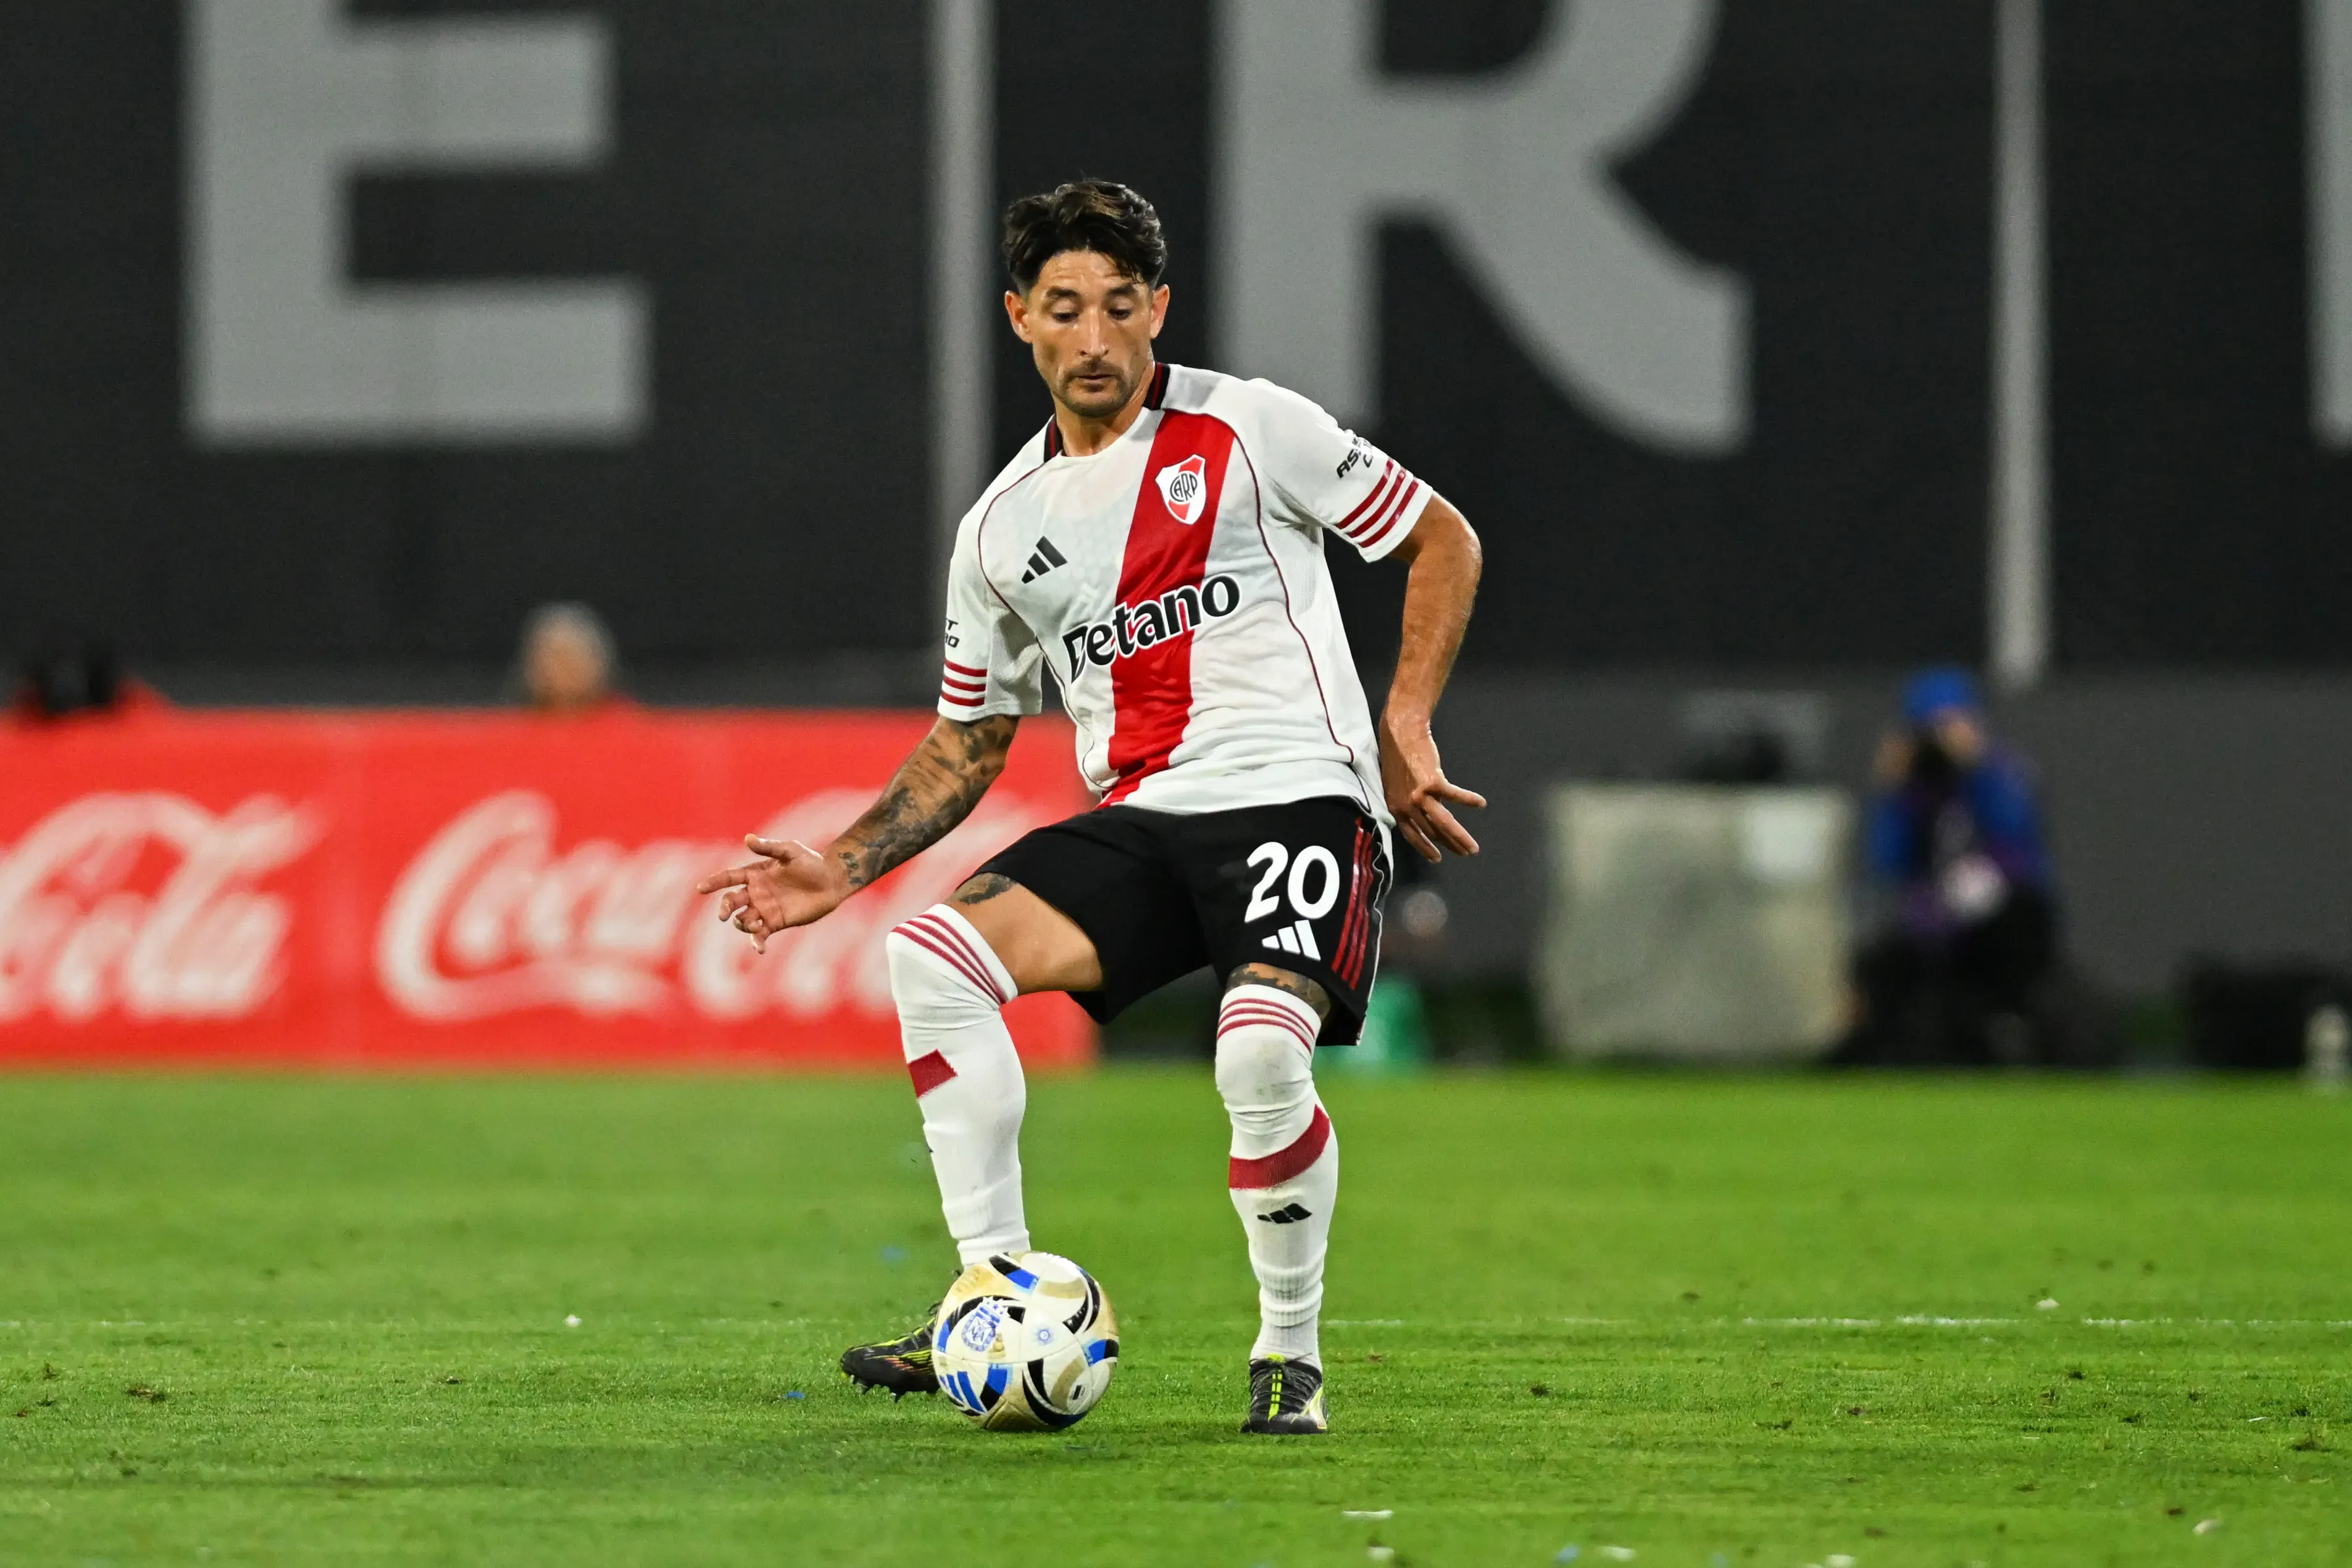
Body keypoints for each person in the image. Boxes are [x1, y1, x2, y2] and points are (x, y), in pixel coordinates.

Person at [695, 180, 1484, 1434]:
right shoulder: (1002, 529)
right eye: (1066, 309)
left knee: (1259, 1052)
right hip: (1152, 822)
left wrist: (1405, 719)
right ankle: (994, 1294)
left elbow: (1442, 537)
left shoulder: (1251, 428)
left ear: (1158, 309)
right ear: (1021, 319)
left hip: (1298, 797)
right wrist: (843, 866)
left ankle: (1291, 1354)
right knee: (935, 956)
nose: (1097, 336)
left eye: (1123, 306)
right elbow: (973, 736)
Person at [1836, 667, 2058, 1065]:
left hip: (2001, 923)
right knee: (1879, 968)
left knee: (2022, 924)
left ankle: (2017, 1028)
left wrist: (1978, 766)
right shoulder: (1912, 791)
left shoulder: (2002, 772)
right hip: (1934, 924)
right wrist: (1891, 792)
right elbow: (1885, 866)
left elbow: (2017, 837)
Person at [517, 602, 620, 714]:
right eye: (555, 656)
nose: (564, 666)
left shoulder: (631, 725)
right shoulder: (506, 727)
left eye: (573, 655)